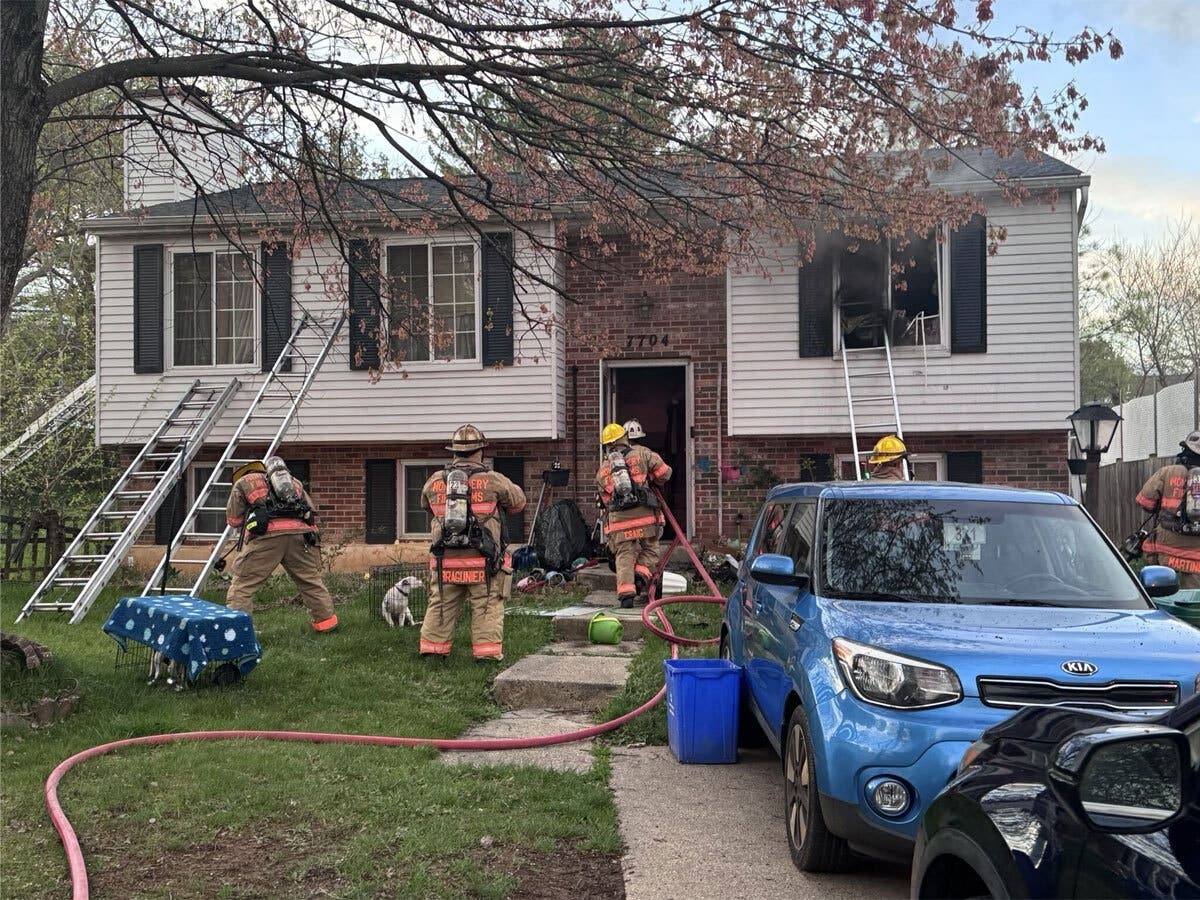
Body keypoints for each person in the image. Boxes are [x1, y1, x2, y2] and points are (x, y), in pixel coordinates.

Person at [418, 425, 526, 662]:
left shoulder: (435, 480)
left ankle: (433, 652)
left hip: (445, 562)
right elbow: (519, 504)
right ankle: (486, 657)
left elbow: (425, 505)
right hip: (483, 563)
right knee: (487, 606)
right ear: (481, 451)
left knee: (441, 605)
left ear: (454, 451)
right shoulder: (494, 480)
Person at [225, 457, 338, 632]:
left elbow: (233, 520)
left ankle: (237, 631)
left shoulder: (243, 482)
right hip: (300, 536)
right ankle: (327, 624)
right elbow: (310, 511)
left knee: (243, 585)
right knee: (310, 582)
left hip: (266, 538)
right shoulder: (294, 482)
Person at [596, 422, 673, 608]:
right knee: (651, 549)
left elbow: (606, 500)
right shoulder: (643, 453)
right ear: (625, 438)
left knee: (624, 555)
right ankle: (640, 576)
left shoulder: (603, 470)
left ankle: (626, 596)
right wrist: (651, 479)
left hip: (619, 524)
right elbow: (665, 473)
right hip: (646, 518)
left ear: (606, 445)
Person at [1136, 430, 1200, 589]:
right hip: (1197, 553)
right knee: (1194, 600)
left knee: (1162, 591)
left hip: (1167, 549)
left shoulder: (1167, 472)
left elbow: (1145, 501)